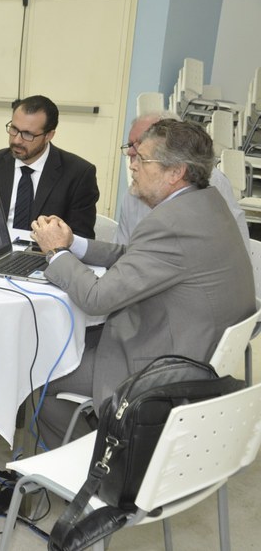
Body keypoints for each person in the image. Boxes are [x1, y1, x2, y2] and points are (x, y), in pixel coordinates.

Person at [30, 119, 255, 449]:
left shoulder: (171, 223)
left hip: (160, 366)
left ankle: (99, 470)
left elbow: (95, 298)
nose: (132, 163)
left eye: (141, 158)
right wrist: (74, 244)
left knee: (38, 372)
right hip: (196, 347)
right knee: (68, 338)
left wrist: (56, 253)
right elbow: (137, 255)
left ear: (174, 171)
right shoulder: (205, 202)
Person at [114, 111, 249, 249]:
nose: (131, 151)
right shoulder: (133, 193)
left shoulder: (210, 182)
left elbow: (235, 244)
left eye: (141, 143)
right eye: (130, 144)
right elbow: (121, 251)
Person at [0, 95, 99, 238]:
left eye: (28, 134)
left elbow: (81, 237)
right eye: (14, 129)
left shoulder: (79, 174)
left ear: (49, 135)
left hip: (46, 255)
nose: (16, 140)